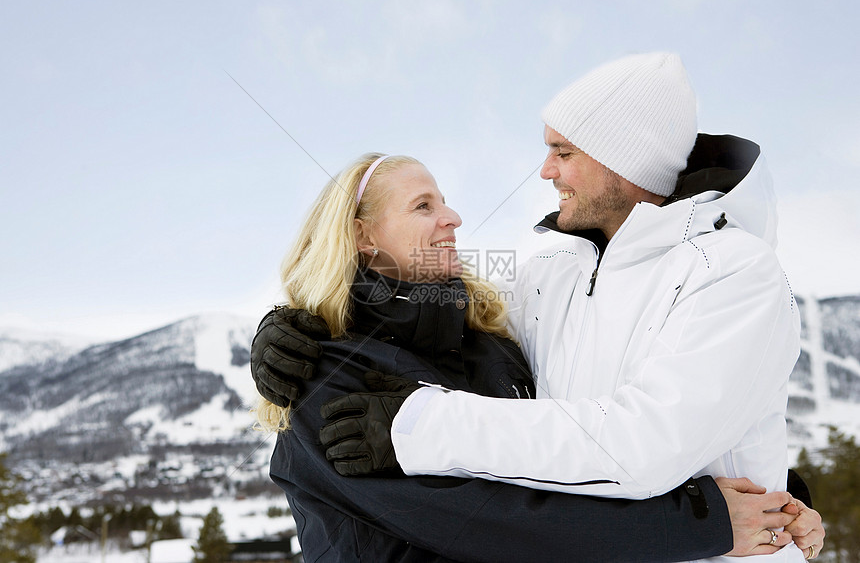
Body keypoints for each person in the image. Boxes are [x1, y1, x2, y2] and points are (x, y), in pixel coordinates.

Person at [252, 53, 826, 560]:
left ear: (620, 160)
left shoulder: (730, 269)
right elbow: (497, 507)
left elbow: (643, 444)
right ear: (361, 235)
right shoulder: (543, 282)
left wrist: (768, 491)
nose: (546, 170)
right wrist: (281, 330)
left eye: (562, 151)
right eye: (424, 205)